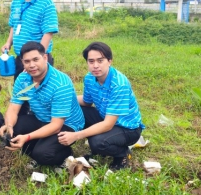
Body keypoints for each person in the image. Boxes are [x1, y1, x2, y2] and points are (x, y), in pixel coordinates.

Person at [58, 42, 144, 170]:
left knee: (97, 143)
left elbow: (108, 124)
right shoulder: (89, 78)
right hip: (105, 117)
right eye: (91, 61)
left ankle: (123, 154)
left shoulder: (119, 84)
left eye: (100, 60)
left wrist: (76, 135)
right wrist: (63, 99)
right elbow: (87, 102)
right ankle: (61, 148)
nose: (95, 66)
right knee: (74, 111)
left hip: (127, 128)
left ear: (109, 61)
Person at [0, 41, 84, 167]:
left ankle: (66, 153)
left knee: (43, 154)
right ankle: (38, 145)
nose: (31, 65)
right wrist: (9, 125)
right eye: (27, 61)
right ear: (22, 62)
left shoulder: (61, 83)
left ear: (45, 58)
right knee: (11, 133)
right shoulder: (23, 78)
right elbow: (13, 108)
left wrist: (27, 137)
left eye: (35, 59)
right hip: (41, 118)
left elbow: (56, 126)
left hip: (67, 124)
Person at [0, 0, 59, 79]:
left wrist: (38, 59)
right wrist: (8, 43)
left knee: (39, 94)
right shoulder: (16, 1)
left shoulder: (47, 4)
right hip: (21, 58)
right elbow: (14, 26)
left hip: (39, 61)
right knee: (21, 95)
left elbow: (48, 33)